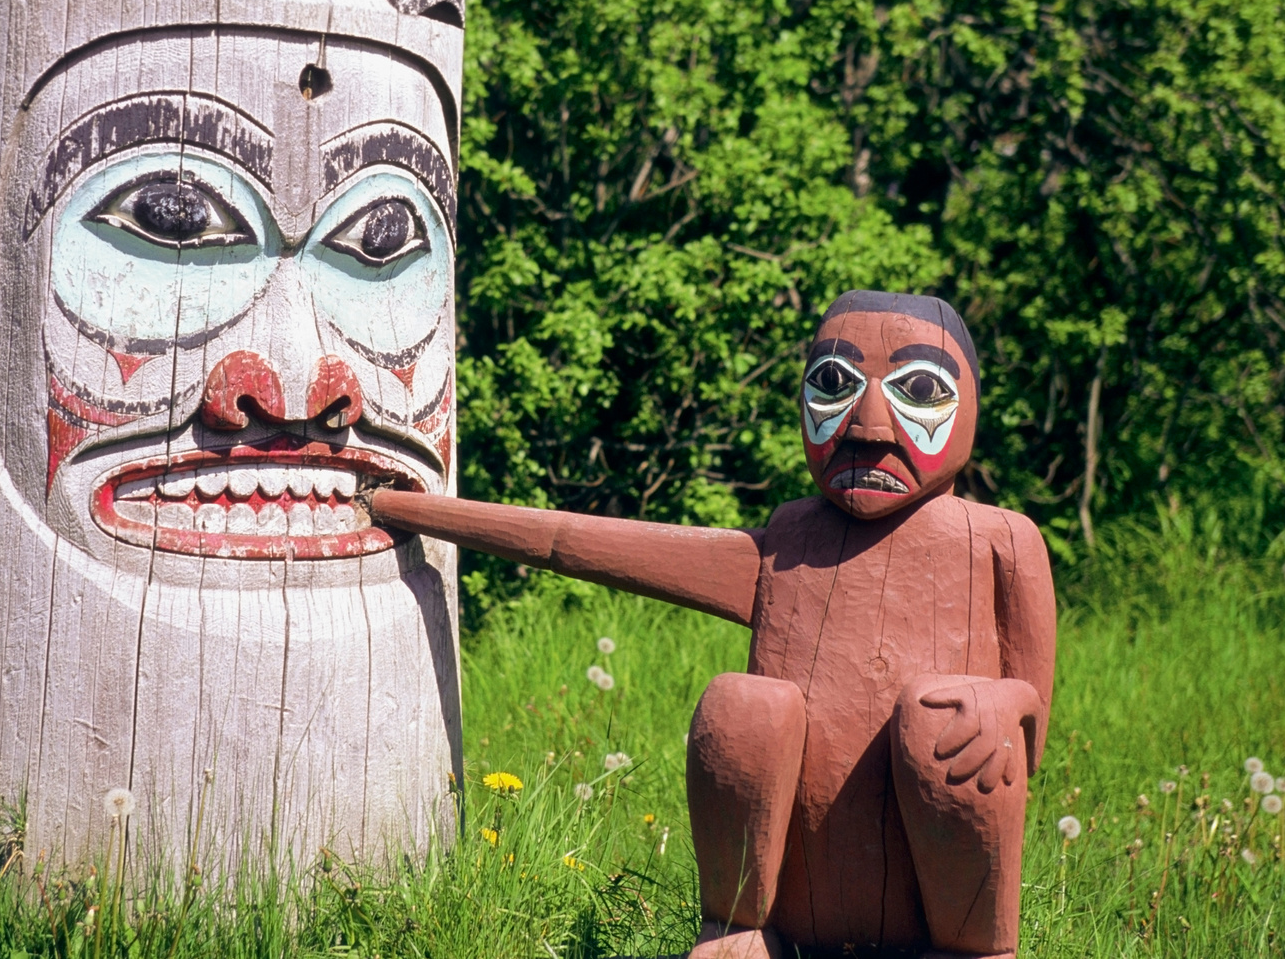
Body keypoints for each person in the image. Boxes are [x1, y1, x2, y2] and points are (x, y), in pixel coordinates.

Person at [365, 290, 1056, 958]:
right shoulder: (789, 537)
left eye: (921, 391)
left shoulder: (1000, 540)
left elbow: (1033, 716)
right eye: (835, 382)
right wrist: (412, 510)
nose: (869, 424)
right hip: (799, 895)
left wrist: (1006, 704)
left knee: (956, 723)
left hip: (941, 871)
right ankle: (735, 925)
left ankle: (972, 948)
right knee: (742, 707)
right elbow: (569, 539)